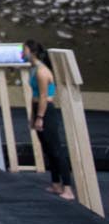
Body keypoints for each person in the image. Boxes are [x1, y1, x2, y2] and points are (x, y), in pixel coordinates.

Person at [24, 40, 75, 201]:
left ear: (32, 52)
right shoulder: (33, 69)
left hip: (47, 112)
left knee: (56, 151)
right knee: (48, 150)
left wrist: (39, 117)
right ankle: (56, 183)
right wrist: (32, 117)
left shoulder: (42, 72)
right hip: (39, 108)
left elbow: (44, 97)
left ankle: (68, 188)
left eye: (24, 49)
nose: (22, 53)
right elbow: (35, 97)